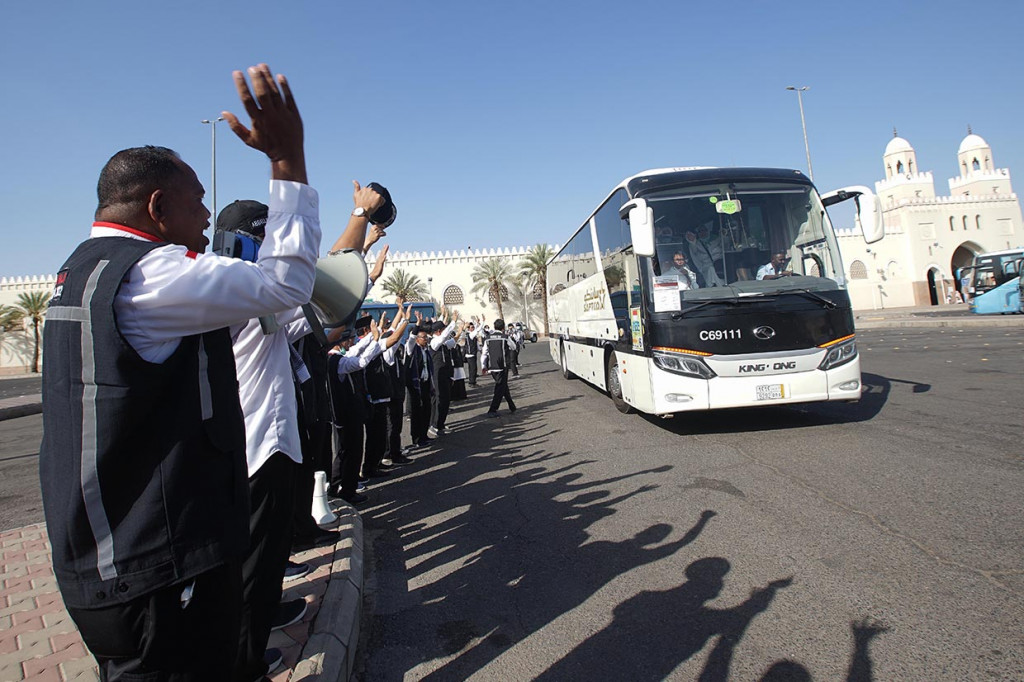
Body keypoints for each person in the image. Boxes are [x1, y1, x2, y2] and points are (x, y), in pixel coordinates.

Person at [39, 64, 318, 681]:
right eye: (198, 202)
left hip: (104, 560)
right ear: (158, 206)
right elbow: (286, 283)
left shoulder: (81, 270)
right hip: (155, 569)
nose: (206, 216)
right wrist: (288, 159)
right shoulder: (152, 275)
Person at [404, 325, 434, 446]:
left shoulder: (426, 350)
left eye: (426, 337)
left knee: (427, 409)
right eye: (423, 337)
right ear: (417, 339)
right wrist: (417, 324)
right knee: (417, 412)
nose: (425, 339)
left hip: (426, 383)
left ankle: (424, 435)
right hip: (416, 384)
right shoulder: (412, 348)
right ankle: (416, 438)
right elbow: (411, 339)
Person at [481, 318, 518, 417]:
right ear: (503, 327)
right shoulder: (504, 337)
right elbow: (514, 347)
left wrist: (483, 366)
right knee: (499, 388)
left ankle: (511, 405)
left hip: (492, 367)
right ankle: (492, 409)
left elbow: (484, 353)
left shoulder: (488, 338)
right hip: (502, 366)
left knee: (503, 386)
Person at [463, 320, 480, 386]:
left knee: (472, 369)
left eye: (473, 327)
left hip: (470, 354)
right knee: (473, 369)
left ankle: (472, 381)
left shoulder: (468, 334)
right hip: (471, 354)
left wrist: (477, 323)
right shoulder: (471, 334)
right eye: (471, 327)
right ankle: (472, 382)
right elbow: (477, 330)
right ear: (469, 328)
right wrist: (482, 322)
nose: (473, 328)